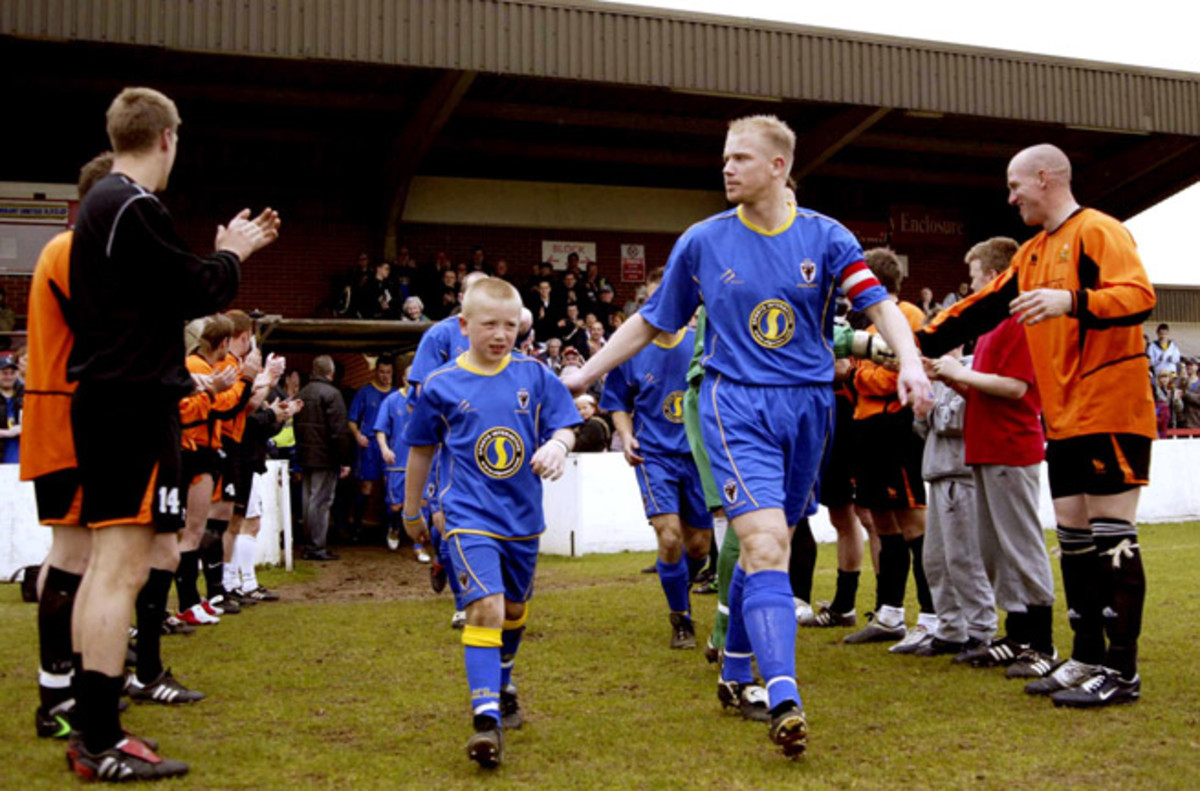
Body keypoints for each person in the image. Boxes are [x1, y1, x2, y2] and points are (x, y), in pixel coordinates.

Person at [563, 114, 931, 758]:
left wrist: (908, 363)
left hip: (810, 408)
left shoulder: (828, 237)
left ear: (778, 167)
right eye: (724, 158)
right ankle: (783, 695)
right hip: (735, 406)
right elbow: (651, 322)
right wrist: (584, 374)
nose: (726, 169)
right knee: (762, 541)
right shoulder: (704, 242)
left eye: (739, 158)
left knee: (775, 537)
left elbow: (877, 308)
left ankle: (735, 670)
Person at [65, 87, 278, 780]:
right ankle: (97, 737)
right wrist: (231, 252)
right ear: (167, 138)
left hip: (114, 403)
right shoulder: (131, 204)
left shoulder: (105, 207)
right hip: (128, 407)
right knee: (117, 571)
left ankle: (96, 725)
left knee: (116, 567)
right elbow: (198, 288)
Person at [919, 143, 1156, 708]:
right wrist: (909, 343)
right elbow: (977, 310)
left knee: (1111, 536)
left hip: (1111, 405)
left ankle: (1121, 670)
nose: (1010, 196)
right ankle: (1086, 655)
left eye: (1015, 184)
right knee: (1073, 534)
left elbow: (1139, 296)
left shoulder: (1100, 231)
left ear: (1045, 178)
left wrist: (1068, 299)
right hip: (1066, 414)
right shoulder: (1031, 253)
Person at [402, 277, 580, 768]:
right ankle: (486, 720)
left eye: (510, 324)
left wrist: (559, 444)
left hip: (522, 518)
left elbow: (566, 422)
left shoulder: (536, 374)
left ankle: (503, 681)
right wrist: (412, 509)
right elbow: (420, 450)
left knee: (516, 611)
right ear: (463, 326)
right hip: (467, 516)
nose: (501, 334)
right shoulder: (440, 385)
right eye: (489, 325)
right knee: (487, 606)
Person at [932, 237, 1058, 675]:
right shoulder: (992, 328)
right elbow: (986, 390)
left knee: (1020, 545)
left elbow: (1016, 388)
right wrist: (951, 378)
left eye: (973, 278)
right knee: (997, 548)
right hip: (986, 446)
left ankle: (1041, 643)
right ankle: (1018, 633)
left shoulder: (1020, 322)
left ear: (993, 276)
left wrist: (961, 372)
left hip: (1011, 446)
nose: (970, 287)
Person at [23, 153, 112, 743]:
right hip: (65, 419)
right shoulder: (72, 249)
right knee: (73, 557)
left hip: (74, 417)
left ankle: (74, 683)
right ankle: (55, 696)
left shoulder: (75, 250)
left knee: (82, 559)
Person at [600, 267, 713, 649]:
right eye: (651, 300)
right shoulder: (630, 349)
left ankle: (684, 582)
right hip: (654, 456)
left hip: (698, 456)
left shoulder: (702, 342)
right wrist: (627, 435)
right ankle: (680, 619)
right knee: (669, 538)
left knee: (698, 545)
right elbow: (617, 403)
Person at [843, 248, 935, 653]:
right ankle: (890, 613)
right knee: (881, 519)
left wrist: (860, 373)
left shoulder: (907, 318)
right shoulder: (868, 325)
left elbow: (895, 372)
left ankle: (932, 616)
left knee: (913, 522)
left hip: (895, 426)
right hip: (866, 426)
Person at [294, 355, 352, 561]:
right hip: (326, 457)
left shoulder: (303, 393)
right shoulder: (332, 394)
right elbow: (339, 431)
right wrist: (344, 460)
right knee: (321, 502)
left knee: (309, 500)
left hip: (306, 455)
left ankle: (308, 544)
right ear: (331, 372)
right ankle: (316, 546)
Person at [346, 355, 396, 543]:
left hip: (390, 445)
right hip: (369, 445)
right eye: (381, 372)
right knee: (366, 486)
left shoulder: (395, 395)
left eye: (388, 373)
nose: (385, 376)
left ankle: (390, 528)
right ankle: (357, 527)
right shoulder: (364, 393)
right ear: (376, 372)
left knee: (390, 486)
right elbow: (352, 420)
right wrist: (358, 435)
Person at [0, 354, 22, 463]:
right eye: (4, 373)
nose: (9, 377)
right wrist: (7, 433)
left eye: (12, 373)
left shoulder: (24, 394)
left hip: (22, 459)